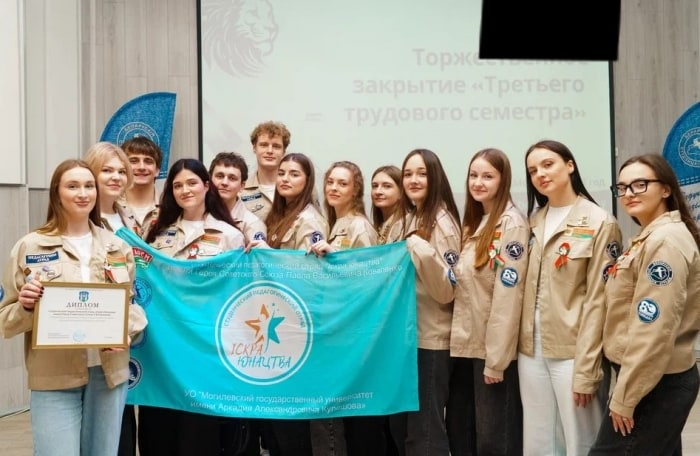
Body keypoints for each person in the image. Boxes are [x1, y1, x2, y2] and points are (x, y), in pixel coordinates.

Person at [0, 159, 147, 456]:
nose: (83, 193)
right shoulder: (30, 246)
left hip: (108, 374)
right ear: (57, 193)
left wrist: (127, 332)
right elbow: (5, 319)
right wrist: (26, 307)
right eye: (73, 186)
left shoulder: (117, 247)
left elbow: (131, 306)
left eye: (89, 186)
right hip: (54, 375)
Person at [589, 154, 700, 454]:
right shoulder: (650, 237)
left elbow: (653, 330)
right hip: (653, 376)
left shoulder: (664, 242)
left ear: (666, 189)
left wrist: (626, 396)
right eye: (622, 187)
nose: (629, 193)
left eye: (640, 184)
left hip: (654, 382)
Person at [518, 139, 622, 455]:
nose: (540, 174)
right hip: (530, 349)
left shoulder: (600, 222)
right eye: (533, 170)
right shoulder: (532, 221)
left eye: (548, 164)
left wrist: (587, 368)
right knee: (539, 439)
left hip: (574, 352)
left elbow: (600, 300)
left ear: (570, 165)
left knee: (581, 440)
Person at [138, 158, 245, 456]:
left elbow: (235, 293)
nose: (185, 190)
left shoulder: (229, 235)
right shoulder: (156, 231)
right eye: (177, 185)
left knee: (197, 429)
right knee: (159, 424)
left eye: (192, 183)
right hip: (161, 343)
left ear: (207, 186)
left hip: (204, 342)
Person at [247, 152, 329, 455]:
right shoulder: (278, 215)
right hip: (275, 328)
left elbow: (308, 278)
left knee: (291, 428)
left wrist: (267, 254)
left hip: (295, 331)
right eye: (282, 173)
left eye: (294, 174)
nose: (285, 179)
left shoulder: (309, 220)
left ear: (307, 181)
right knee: (274, 430)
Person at [447, 148, 527, 455]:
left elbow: (508, 297)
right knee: (467, 435)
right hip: (467, 345)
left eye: (487, 176)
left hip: (491, 352)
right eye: (473, 175)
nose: (478, 183)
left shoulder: (511, 224)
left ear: (503, 180)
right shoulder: (475, 222)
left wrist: (496, 360)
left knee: (496, 440)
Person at [387, 149, 461, 456]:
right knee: (403, 429)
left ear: (436, 178)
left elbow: (447, 290)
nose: (413, 180)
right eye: (408, 174)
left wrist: (418, 246)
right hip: (406, 339)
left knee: (425, 433)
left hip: (431, 341)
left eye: (422, 174)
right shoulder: (405, 219)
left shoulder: (442, 222)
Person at [310, 161, 384, 456]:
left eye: (342, 183)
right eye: (330, 181)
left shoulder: (359, 226)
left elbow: (370, 280)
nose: (334, 188)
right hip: (332, 329)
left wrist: (338, 257)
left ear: (356, 190)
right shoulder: (332, 224)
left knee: (341, 417)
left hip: (349, 334)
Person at [209, 151, 267, 243]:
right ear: (210, 180)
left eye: (232, 178)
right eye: (220, 176)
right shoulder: (198, 214)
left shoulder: (252, 224)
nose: (224, 182)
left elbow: (258, 252)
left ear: (242, 186)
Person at [240, 121, 291, 221]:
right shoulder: (240, 191)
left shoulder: (301, 188)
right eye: (264, 145)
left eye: (276, 146)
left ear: (284, 151)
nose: (270, 151)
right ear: (254, 148)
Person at [119, 136, 163, 237]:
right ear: (123, 168)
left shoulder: (171, 207)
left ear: (157, 170)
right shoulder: (110, 207)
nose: (141, 167)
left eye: (148, 161)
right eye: (134, 161)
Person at [370, 165, 403, 245]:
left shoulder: (404, 227)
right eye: (375, 186)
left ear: (401, 192)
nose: (378, 191)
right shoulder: (377, 227)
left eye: (387, 186)